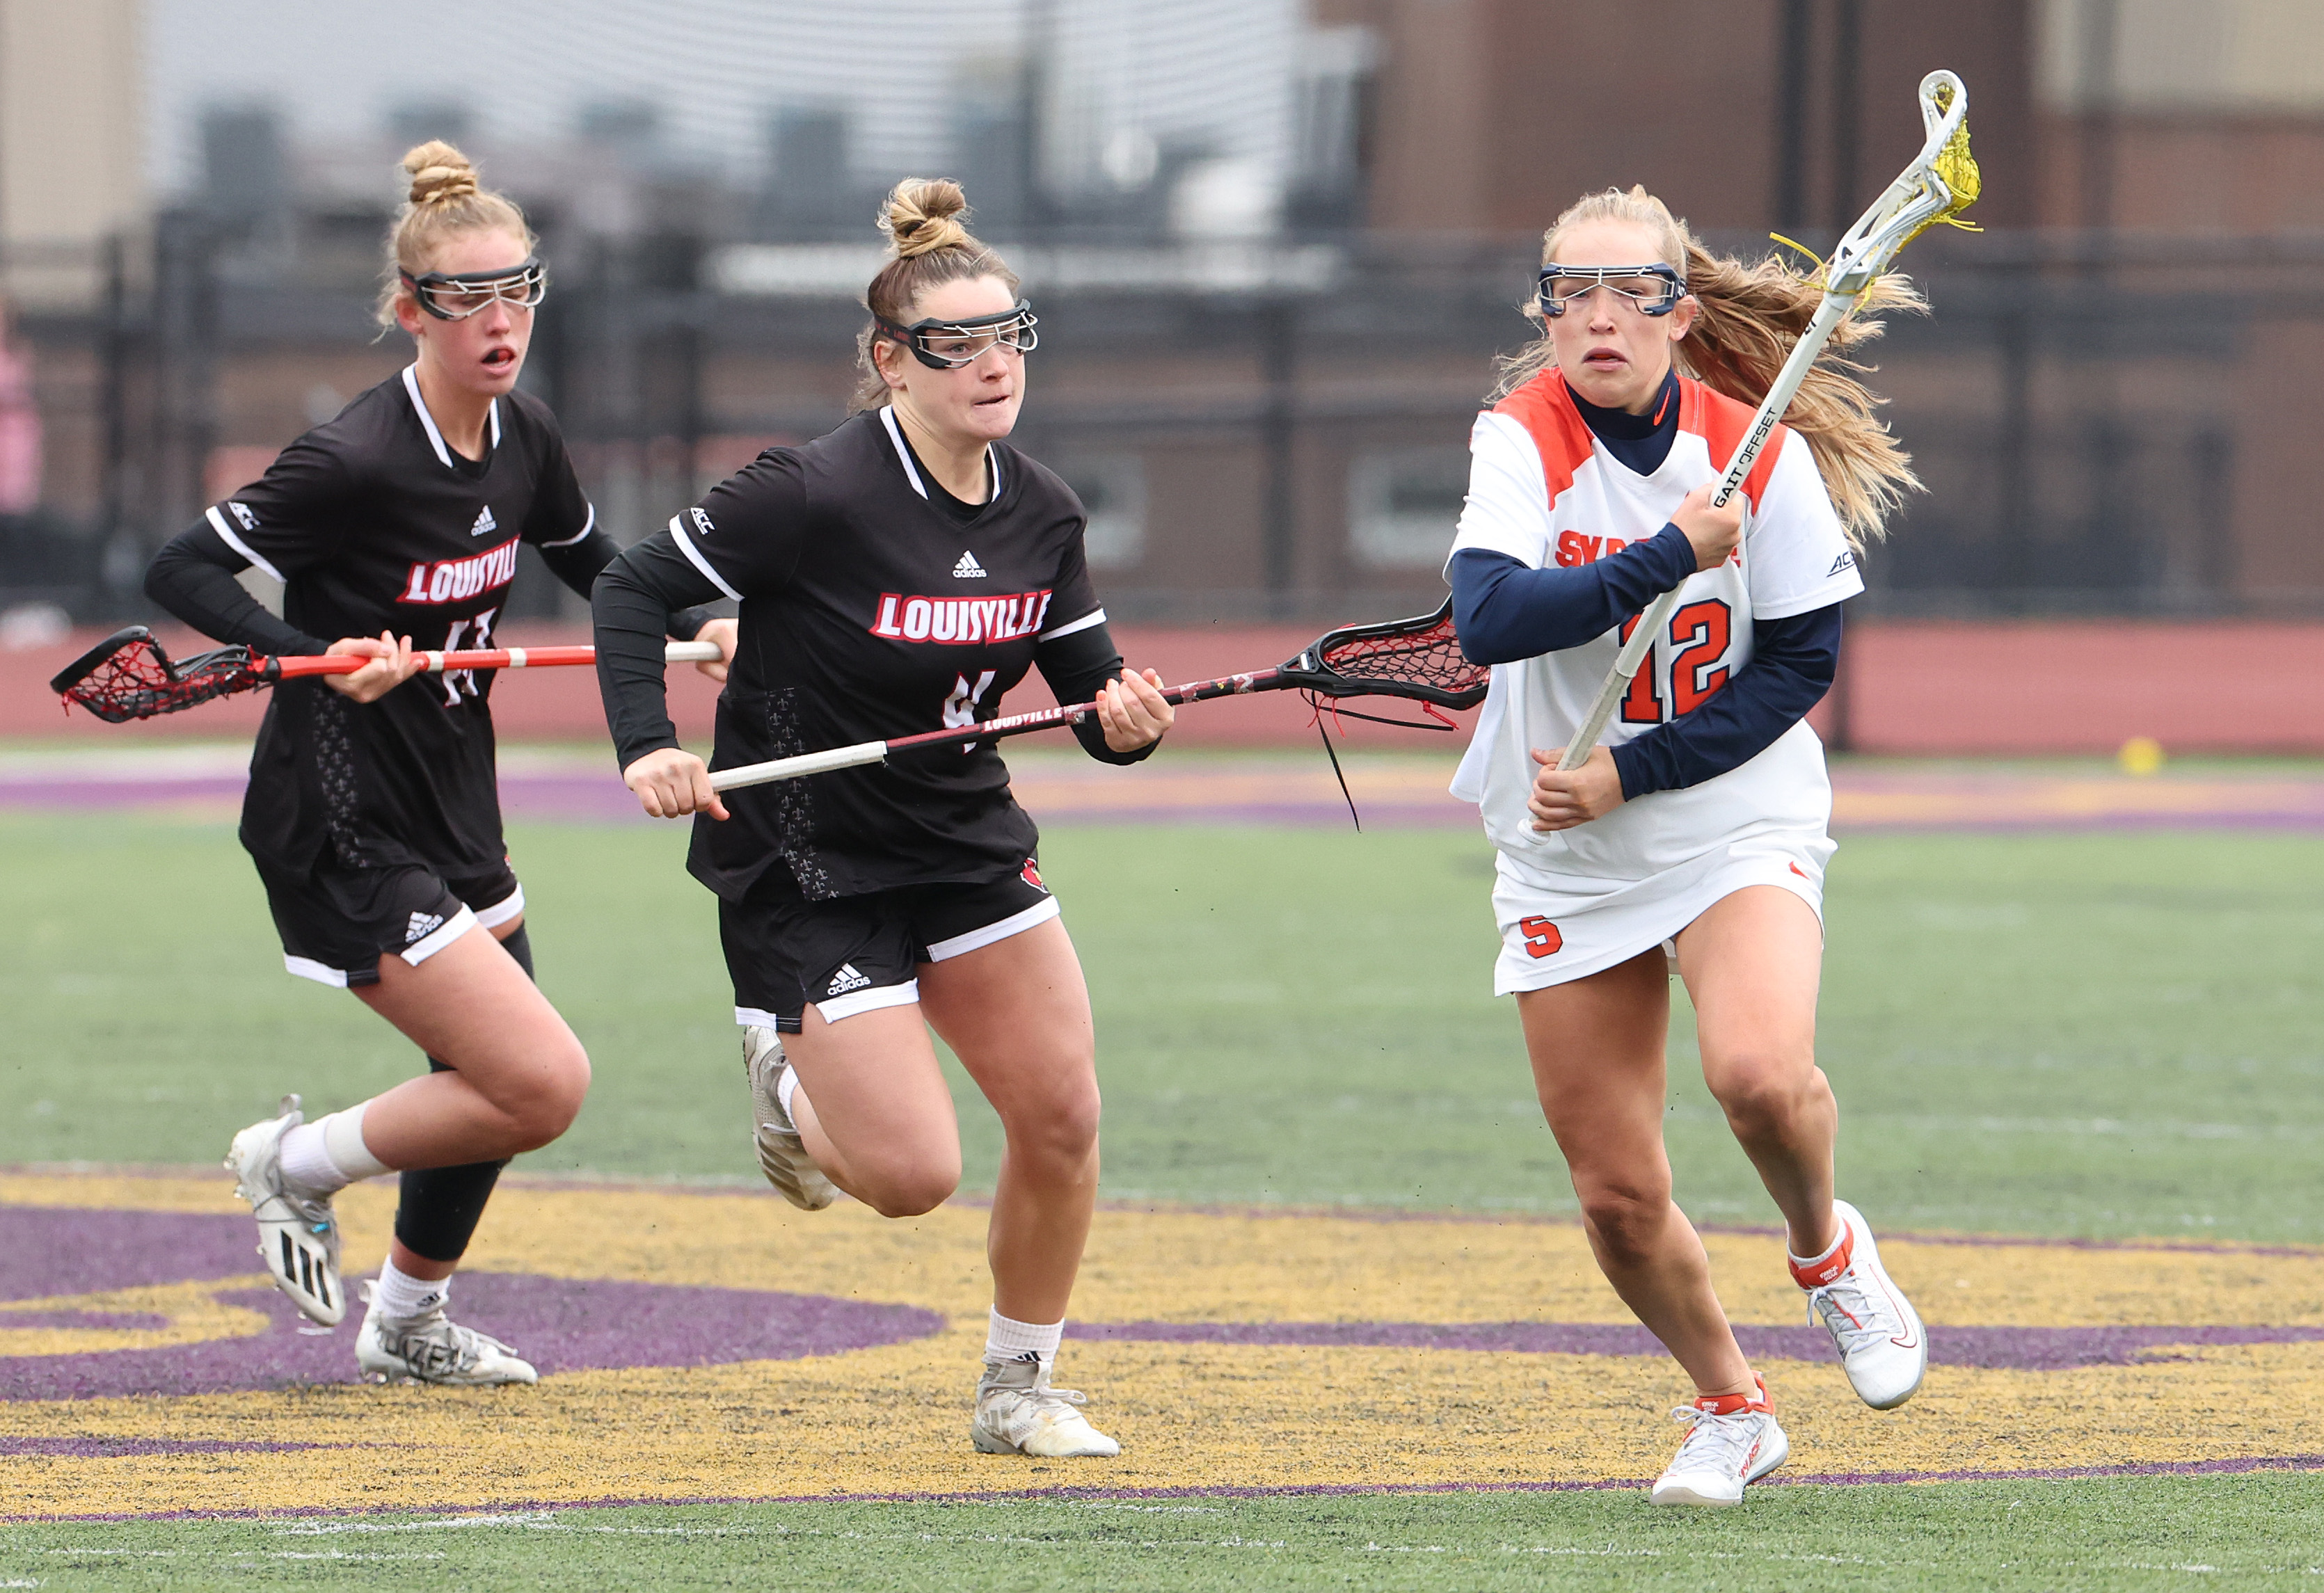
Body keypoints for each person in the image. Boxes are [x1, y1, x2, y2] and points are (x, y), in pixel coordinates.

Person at [592, 177, 1171, 1459]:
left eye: (1008, 334)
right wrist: (651, 747)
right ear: (890, 362)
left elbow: (1086, 698)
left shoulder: (1045, 509)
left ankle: (1018, 1389)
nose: (990, 364)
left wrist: (1125, 722)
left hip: (964, 845)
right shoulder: (809, 492)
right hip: (810, 862)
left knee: (1064, 1115)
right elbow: (630, 593)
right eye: (954, 342)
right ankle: (784, 1076)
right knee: (911, 1180)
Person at [143, 141, 734, 1386]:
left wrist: (691, 624)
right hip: (339, 808)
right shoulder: (355, 457)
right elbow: (181, 570)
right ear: (411, 310)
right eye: (468, 299)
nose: (502, 320)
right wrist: (311, 652)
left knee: (485, 1081)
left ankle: (408, 1320)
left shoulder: (525, 436)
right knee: (540, 1079)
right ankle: (288, 1166)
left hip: (458, 793)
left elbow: (596, 565)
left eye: (521, 290)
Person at [1445, 186, 1928, 1506]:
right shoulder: (1519, 435)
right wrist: (1665, 552)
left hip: (1730, 811)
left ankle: (1827, 1253)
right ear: (1545, 310)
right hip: (1566, 850)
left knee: (1760, 1078)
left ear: (1681, 311)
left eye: (1632, 292)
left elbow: (1801, 663)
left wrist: (1634, 771)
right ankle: (1733, 1406)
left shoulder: (1750, 450)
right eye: (1570, 292)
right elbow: (1488, 616)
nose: (1598, 316)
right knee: (1616, 1193)